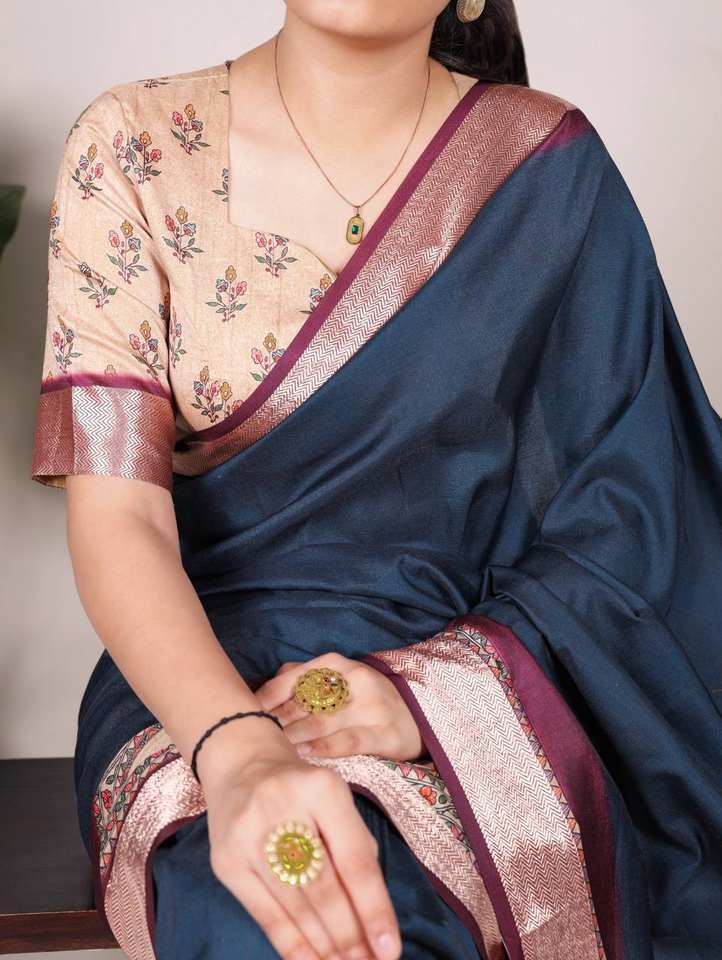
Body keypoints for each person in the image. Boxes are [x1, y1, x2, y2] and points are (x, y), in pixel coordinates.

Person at [29, 1, 722, 958]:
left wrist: (427, 699)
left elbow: (643, 514)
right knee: (272, 916)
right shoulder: (134, 148)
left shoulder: (547, 170)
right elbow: (122, 521)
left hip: (470, 691)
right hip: (196, 687)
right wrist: (240, 751)